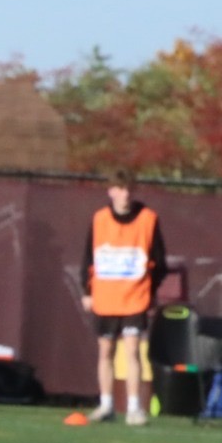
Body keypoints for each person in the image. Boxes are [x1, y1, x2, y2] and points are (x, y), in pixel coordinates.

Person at [80, 168, 166, 425]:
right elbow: (88, 257)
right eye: (120, 189)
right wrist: (87, 291)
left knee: (132, 350)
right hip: (105, 296)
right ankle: (106, 404)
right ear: (111, 191)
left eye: (129, 189)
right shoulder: (99, 219)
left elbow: (160, 261)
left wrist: (150, 291)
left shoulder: (148, 219)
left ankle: (133, 408)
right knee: (105, 350)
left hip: (134, 296)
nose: (125, 194)